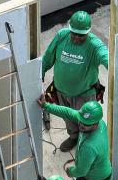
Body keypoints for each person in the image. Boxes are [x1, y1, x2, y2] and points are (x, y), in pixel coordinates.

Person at [41, 10, 108, 152]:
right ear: (69, 28)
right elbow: (47, 58)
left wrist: (117, 68)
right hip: (61, 91)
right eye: (74, 33)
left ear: (88, 32)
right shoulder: (61, 36)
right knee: (69, 119)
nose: (77, 38)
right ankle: (73, 137)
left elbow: (107, 58)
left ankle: (88, 146)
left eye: (81, 35)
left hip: (84, 94)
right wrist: (39, 75)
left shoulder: (95, 46)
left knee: (87, 122)